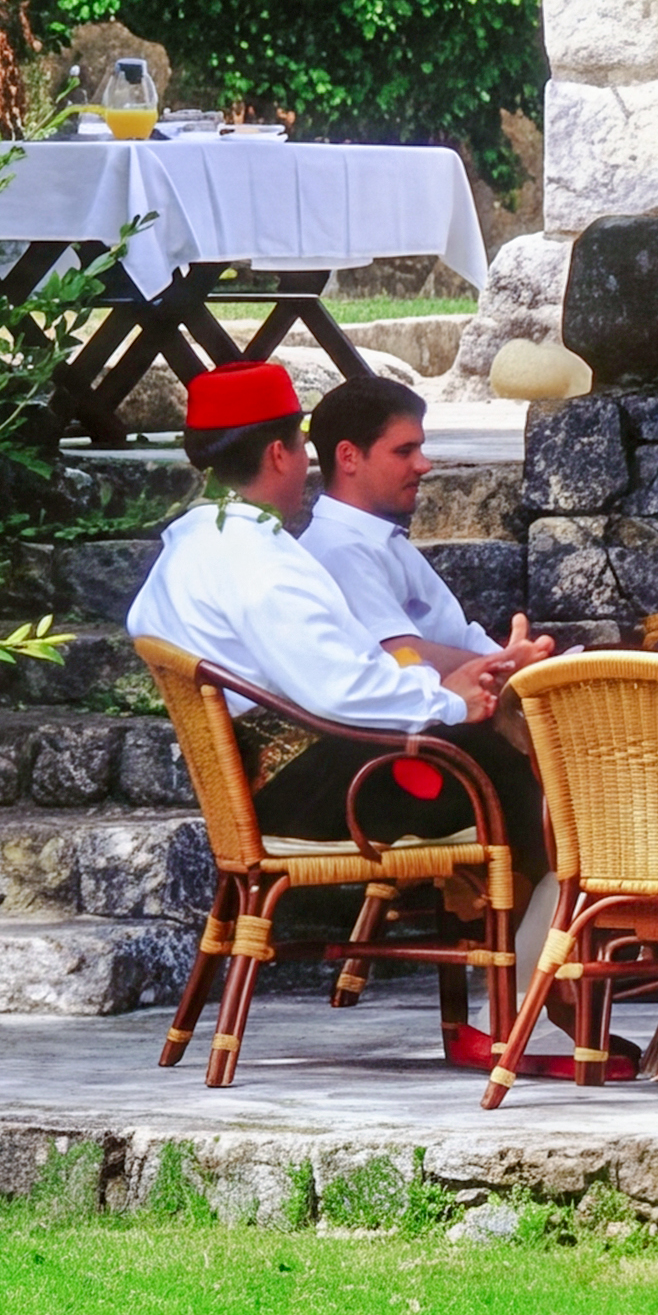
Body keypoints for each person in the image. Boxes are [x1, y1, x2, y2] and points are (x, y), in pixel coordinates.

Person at [124, 359, 555, 1065]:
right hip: (312, 792)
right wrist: (450, 701)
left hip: (263, 779)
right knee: (524, 775)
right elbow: (343, 691)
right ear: (277, 453)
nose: (305, 470)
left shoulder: (190, 547)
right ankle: (534, 1009)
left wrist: (452, 698)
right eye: (299, 451)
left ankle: (527, 995)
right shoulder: (261, 561)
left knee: (494, 754)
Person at [296, 375, 495, 671]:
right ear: (348, 457)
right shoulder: (339, 549)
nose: (424, 465)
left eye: (419, 449)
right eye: (404, 451)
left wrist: (518, 659)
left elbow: (460, 635)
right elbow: (401, 655)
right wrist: (506, 668)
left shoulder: (382, 538)